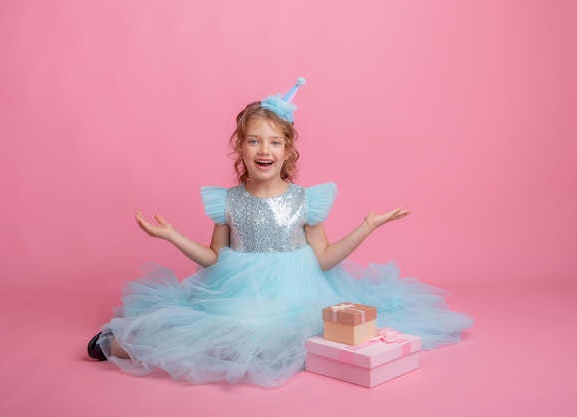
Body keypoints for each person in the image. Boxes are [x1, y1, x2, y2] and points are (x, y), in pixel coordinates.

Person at [87, 77, 473, 388]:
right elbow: (214, 258)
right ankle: (124, 341)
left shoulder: (306, 200)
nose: (263, 149)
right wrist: (172, 235)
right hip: (240, 291)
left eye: (274, 142)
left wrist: (366, 227)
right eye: (253, 140)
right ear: (239, 148)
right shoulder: (229, 201)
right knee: (223, 332)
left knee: (281, 337)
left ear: (288, 151)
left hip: (297, 292)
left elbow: (323, 258)